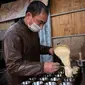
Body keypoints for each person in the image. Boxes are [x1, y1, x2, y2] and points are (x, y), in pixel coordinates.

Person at [3, 1, 60, 85]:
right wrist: (42, 67)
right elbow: (13, 66)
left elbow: (34, 47)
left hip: (33, 76)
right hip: (18, 81)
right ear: (29, 15)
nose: (41, 27)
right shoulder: (13, 34)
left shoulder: (32, 30)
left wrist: (49, 50)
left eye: (44, 24)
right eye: (40, 22)